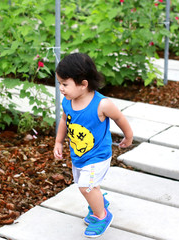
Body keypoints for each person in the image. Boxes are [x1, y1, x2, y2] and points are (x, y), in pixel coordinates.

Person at [53, 53, 133, 238]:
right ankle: (99, 201)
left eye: (65, 84)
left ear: (83, 83)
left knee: (86, 187)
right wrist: (58, 141)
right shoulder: (68, 101)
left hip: (98, 155)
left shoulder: (102, 104)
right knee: (85, 184)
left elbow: (119, 118)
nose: (61, 89)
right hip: (79, 155)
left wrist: (128, 136)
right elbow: (64, 120)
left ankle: (102, 215)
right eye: (59, 84)